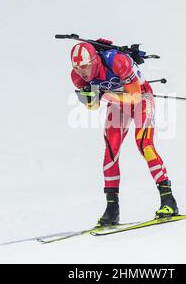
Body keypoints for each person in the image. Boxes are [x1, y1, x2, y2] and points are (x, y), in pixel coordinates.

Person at [69, 40, 179, 227]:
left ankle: (168, 200)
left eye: (85, 67)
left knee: (144, 144)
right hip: (118, 103)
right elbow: (93, 107)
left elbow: (135, 97)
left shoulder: (117, 61)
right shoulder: (77, 76)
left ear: (95, 60)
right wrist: (89, 98)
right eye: (78, 68)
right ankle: (112, 209)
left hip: (141, 98)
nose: (82, 73)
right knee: (111, 150)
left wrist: (102, 95)